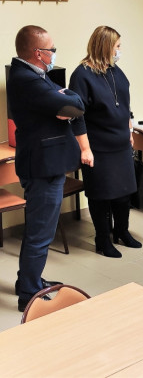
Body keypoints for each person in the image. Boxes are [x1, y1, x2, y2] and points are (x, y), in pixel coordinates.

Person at [7, 25, 85, 312]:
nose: (54, 54)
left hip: (45, 162)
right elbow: (75, 103)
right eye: (52, 50)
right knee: (40, 234)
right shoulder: (27, 79)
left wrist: (66, 99)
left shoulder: (36, 76)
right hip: (42, 166)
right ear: (38, 53)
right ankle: (29, 294)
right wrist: (67, 99)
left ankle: (28, 281)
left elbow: (68, 101)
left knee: (40, 230)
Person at [69, 26, 141, 258]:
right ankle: (102, 240)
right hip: (98, 147)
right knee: (101, 195)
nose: (119, 50)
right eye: (117, 46)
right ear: (105, 46)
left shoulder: (115, 71)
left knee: (123, 193)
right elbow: (76, 116)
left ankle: (122, 231)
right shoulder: (81, 75)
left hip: (120, 145)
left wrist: (129, 130)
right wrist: (85, 149)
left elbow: (125, 104)